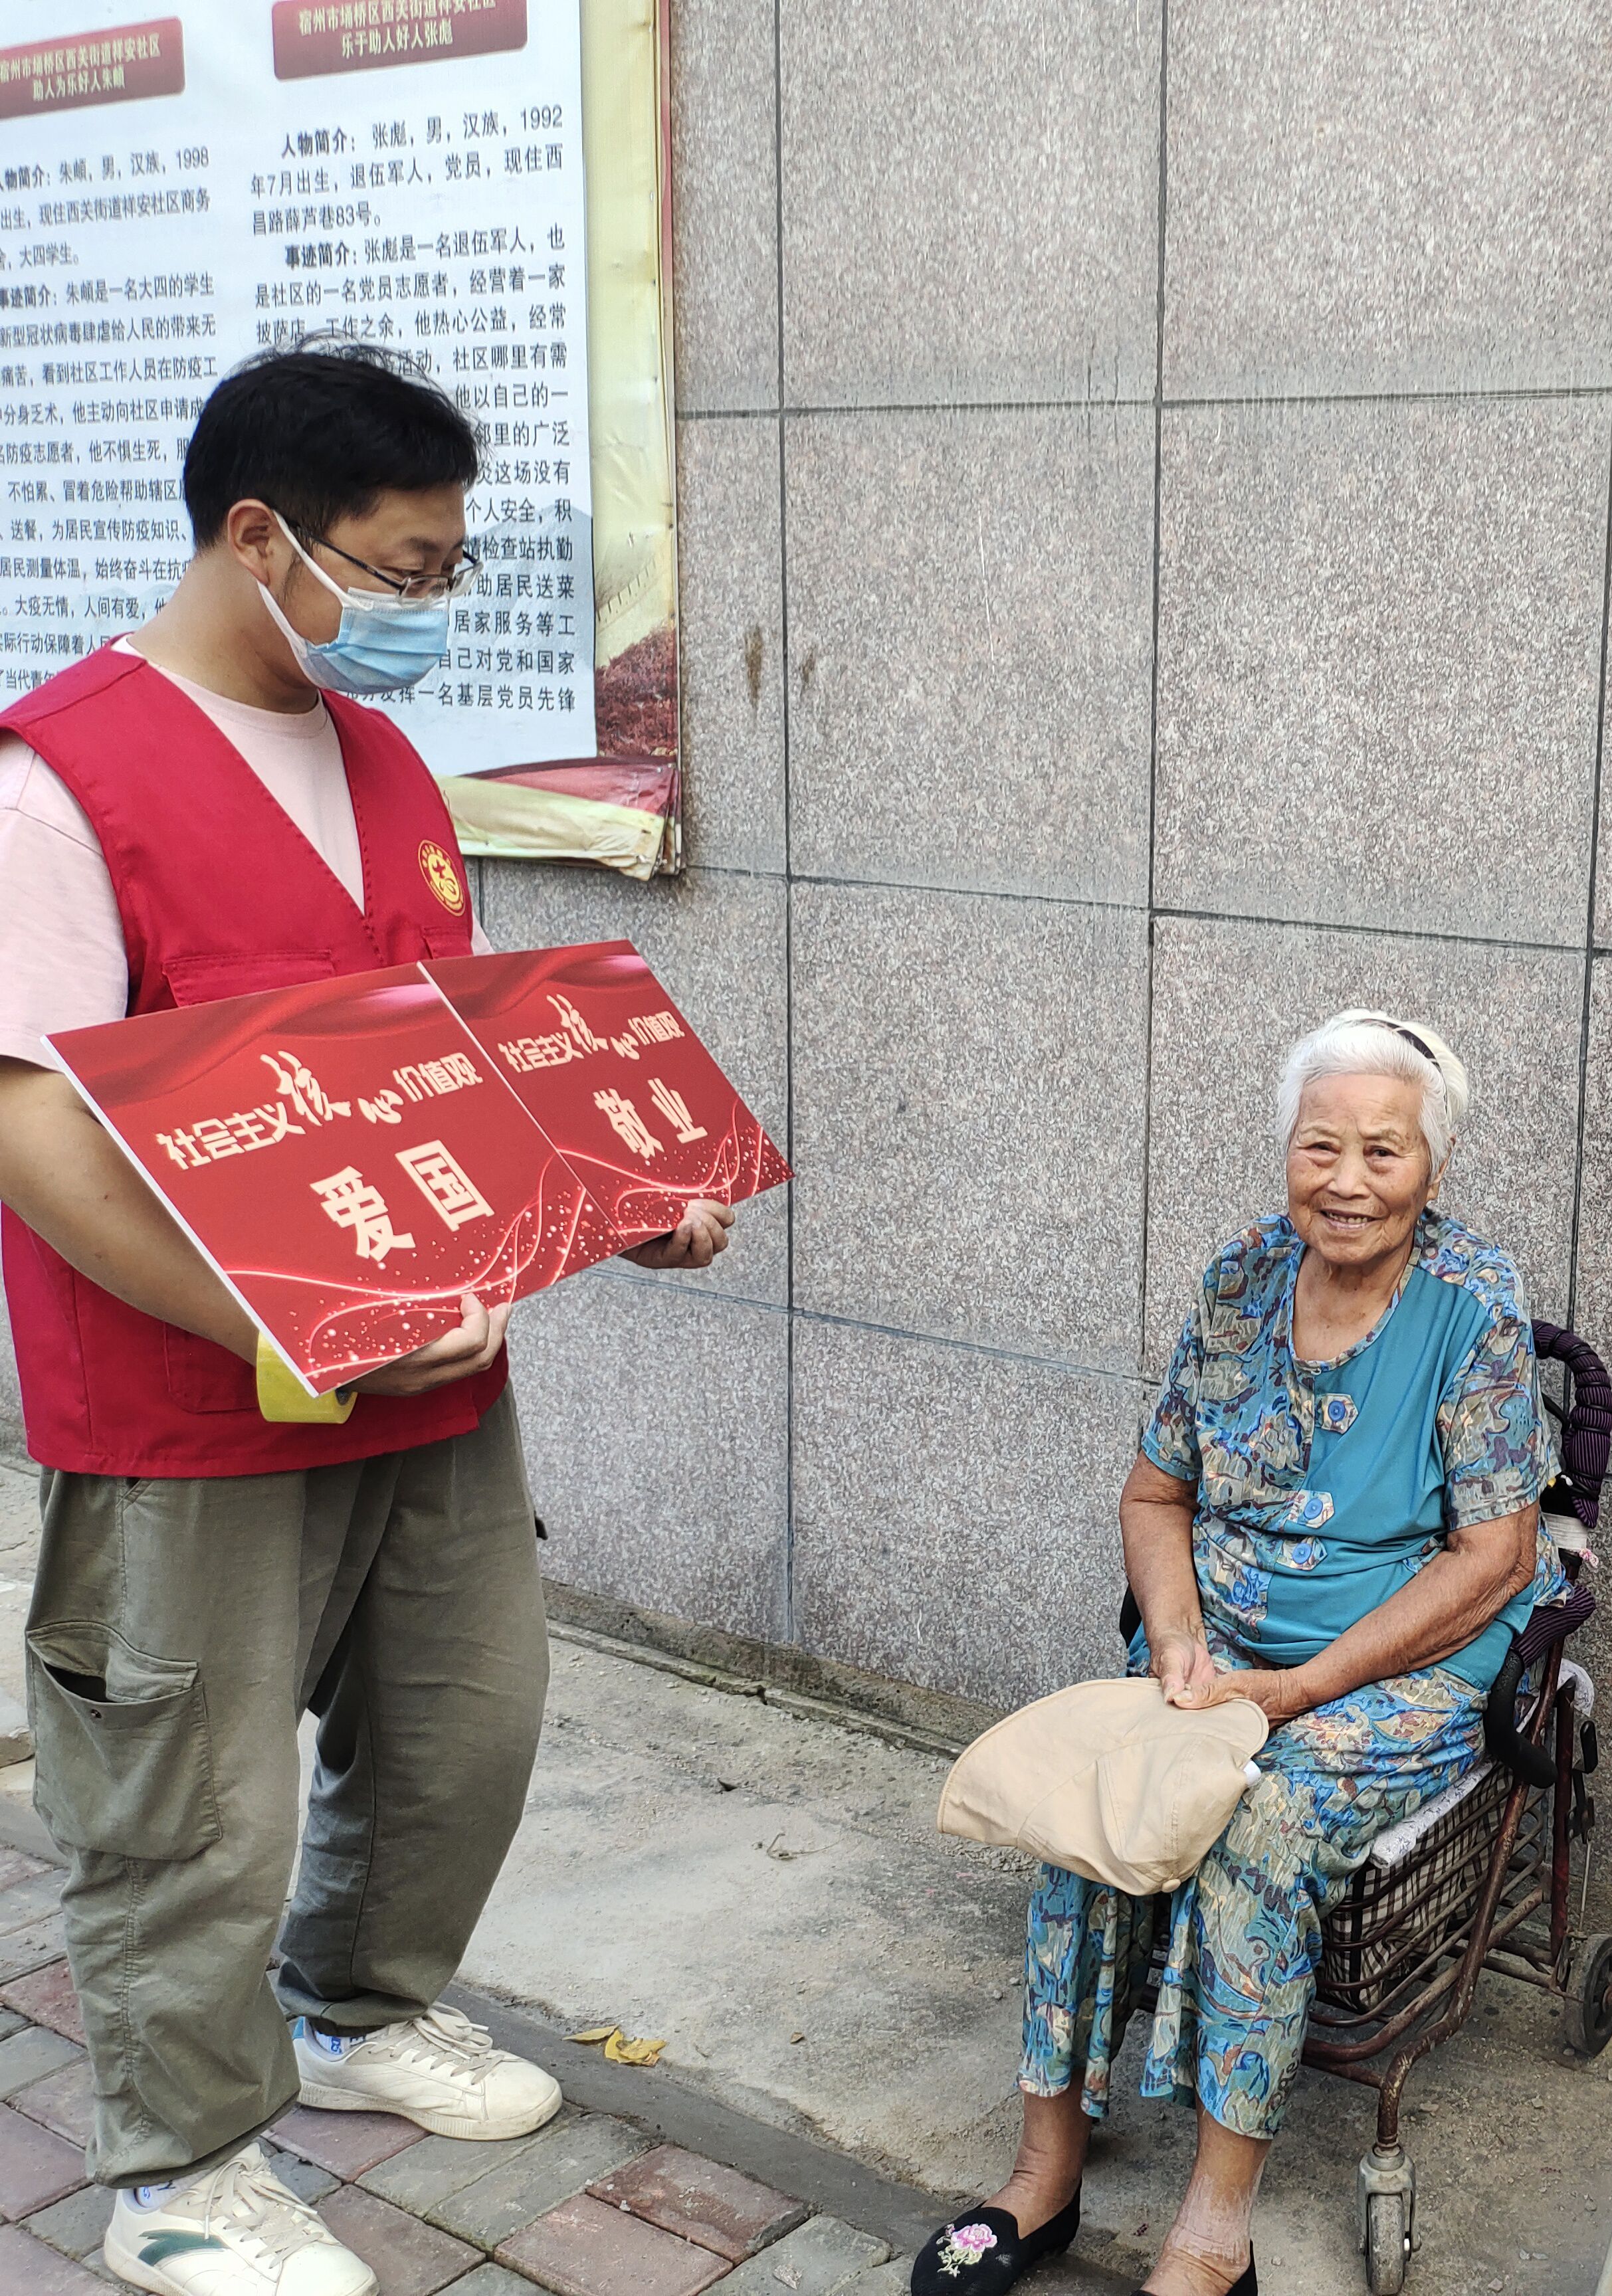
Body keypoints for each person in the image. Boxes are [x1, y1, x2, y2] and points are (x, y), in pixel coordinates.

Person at [0, 345, 732, 2296]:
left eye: (445, 570)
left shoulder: (383, 759)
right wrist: (289, 1320)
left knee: (456, 1738)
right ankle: (177, 2170)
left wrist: (614, 1192)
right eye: (399, 571)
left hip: (436, 1390)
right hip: (193, 1413)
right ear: (262, 539)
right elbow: (34, 1137)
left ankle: (364, 2007)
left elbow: (455, 1070)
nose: (424, 609)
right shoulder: (61, 776)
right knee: (188, 1808)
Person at [912, 1009, 1560, 2296]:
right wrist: (1179, 1641)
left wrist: (1307, 1688)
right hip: (1220, 1660)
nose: (1350, 1180)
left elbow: (1495, 1556)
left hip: (1399, 1673)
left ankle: (1216, 2226)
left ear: (1434, 1166)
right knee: (1087, 1804)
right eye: (1323, 1146)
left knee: (1259, 1834)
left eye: (1386, 1151)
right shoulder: (1240, 1279)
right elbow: (1152, 1495)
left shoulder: (1474, 1305)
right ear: (1287, 1152)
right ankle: (1043, 2171)